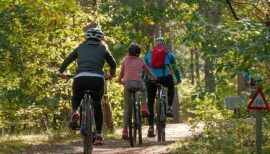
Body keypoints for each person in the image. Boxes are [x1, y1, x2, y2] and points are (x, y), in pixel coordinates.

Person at [57, 27, 117, 145]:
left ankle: (75, 112)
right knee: (97, 105)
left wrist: (61, 72)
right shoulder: (103, 48)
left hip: (80, 77)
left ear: (86, 38)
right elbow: (113, 63)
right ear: (101, 39)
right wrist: (111, 74)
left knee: (76, 97)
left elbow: (67, 60)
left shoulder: (80, 47)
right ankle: (99, 135)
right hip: (97, 79)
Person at [117, 43, 157, 140]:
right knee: (144, 89)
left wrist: (119, 81)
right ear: (139, 53)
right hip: (139, 83)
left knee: (127, 108)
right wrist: (154, 78)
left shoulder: (125, 60)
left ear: (129, 52)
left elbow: (122, 73)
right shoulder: (141, 60)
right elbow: (148, 71)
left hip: (128, 84)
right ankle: (143, 106)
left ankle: (125, 130)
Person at [144, 37, 181, 137]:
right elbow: (175, 68)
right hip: (165, 78)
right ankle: (169, 108)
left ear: (155, 45)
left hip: (151, 79)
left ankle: (151, 127)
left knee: (150, 102)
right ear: (164, 45)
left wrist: (144, 79)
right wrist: (178, 78)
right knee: (171, 86)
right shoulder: (169, 54)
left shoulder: (149, 54)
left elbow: (144, 69)